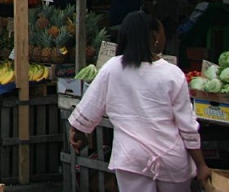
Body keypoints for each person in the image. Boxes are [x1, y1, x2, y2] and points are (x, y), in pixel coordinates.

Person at [69, 11, 211, 191]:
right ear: (154, 37)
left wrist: (78, 132)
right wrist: (201, 165)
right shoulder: (172, 74)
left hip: (131, 159)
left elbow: (90, 107)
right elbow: (187, 125)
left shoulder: (112, 68)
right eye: (162, 32)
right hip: (172, 159)